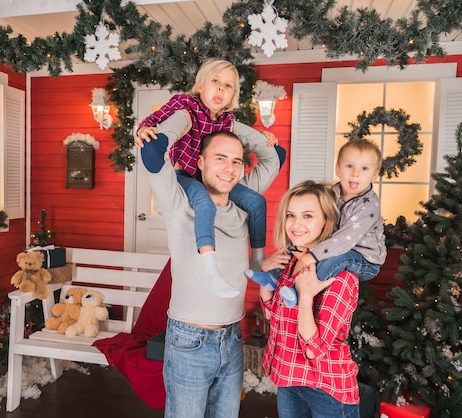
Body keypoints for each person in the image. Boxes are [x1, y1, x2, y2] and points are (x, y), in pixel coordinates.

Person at [140, 118, 284, 418]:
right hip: (189, 341)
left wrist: (231, 123)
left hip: (231, 339)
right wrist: (188, 120)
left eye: (236, 161)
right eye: (220, 159)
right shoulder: (179, 203)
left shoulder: (242, 201)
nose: (229, 169)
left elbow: (275, 155)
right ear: (201, 162)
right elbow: (153, 151)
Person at [136, 58, 272, 297]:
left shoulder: (227, 120)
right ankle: (210, 266)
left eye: (228, 86)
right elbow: (156, 119)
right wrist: (143, 129)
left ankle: (257, 261)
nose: (221, 88)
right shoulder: (185, 105)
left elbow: (239, 138)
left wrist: (263, 137)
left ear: (232, 95)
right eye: (215, 81)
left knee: (257, 202)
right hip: (185, 175)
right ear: (201, 86)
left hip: (210, 178)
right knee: (204, 204)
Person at [259, 180, 360, 418]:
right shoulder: (293, 261)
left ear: (326, 220)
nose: (295, 225)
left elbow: (314, 349)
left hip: (326, 389)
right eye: (291, 215)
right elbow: (273, 316)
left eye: (307, 216)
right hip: (289, 380)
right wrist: (265, 274)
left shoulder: (340, 275)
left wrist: (306, 298)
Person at [246, 138, 386, 306]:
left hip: (364, 258)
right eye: (349, 166)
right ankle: (273, 277)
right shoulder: (332, 193)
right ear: (338, 169)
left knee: (338, 259)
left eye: (364, 168)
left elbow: (344, 239)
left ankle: (298, 291)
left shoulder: (369, 206)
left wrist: (311, 256)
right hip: (335, 247)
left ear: (375, 174)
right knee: (295, 246)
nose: (355, 173)